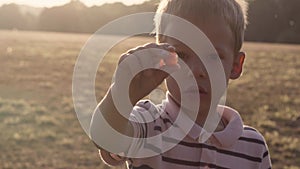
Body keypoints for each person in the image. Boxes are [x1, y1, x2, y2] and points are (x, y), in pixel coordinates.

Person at [90, 0, 272, 168]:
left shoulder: (253, 148)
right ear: (160, 57)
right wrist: (123, 92)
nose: (196, 70)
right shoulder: (148, 125)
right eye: (182, 56)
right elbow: (105, 138)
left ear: (235, 66)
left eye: (212, 57)